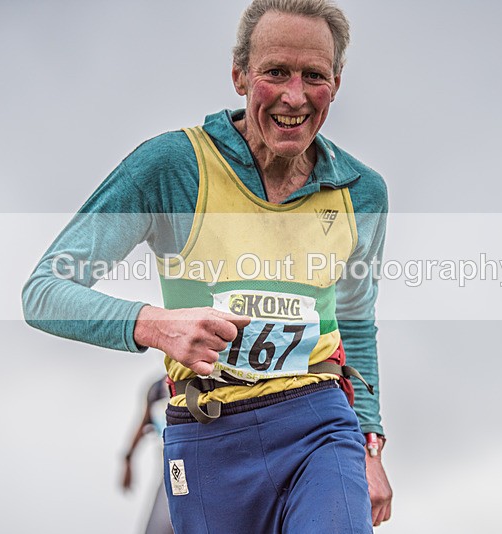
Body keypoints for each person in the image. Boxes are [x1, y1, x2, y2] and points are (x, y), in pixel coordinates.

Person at [22, 0, 392, 531]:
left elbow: (356, 320)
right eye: (275, 72)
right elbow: (44, 291)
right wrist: (156, 326)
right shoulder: (171, 167)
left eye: (314, 76)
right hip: (208, 432)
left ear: (336, 81)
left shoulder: (364, 191)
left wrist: (370, 445)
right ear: (240, 74)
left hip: (318, 423)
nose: (295, 95)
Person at [121, 377, 174, 534]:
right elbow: (143, 423)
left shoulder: (199, 380)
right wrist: (128, 460)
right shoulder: (157, 389)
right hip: (168, 474)